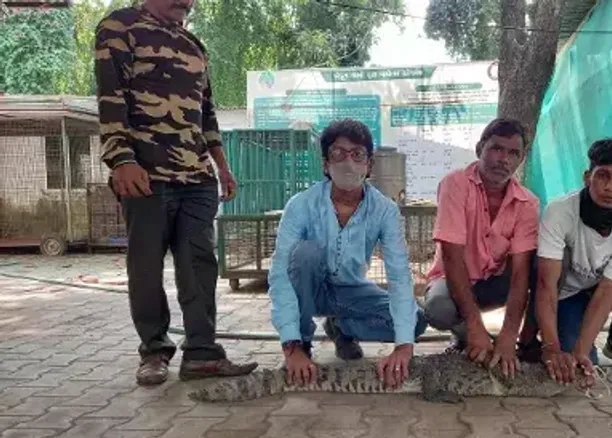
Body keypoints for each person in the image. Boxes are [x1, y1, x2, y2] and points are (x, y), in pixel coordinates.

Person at [94, 0, 257, 386]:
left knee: (199, 265)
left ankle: (202, 352)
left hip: (197, 178)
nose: (186, 3)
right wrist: (121, 160)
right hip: (144, 174)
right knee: (146, 267)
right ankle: (154, 350)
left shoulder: (194, 46)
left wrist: (223, 165)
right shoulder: (119, 26)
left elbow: (207, 113)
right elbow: (110, 100)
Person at [267, 118, 427, 389]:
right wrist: (290, 345)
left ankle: (342, 328)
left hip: (351, 291)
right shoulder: (301, 205)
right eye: (338, 154)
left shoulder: (384, 210)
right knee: (306, 254)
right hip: (310, 290)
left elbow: (399, 275)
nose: (348, 163)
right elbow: (280, 275)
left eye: (357, 155)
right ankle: (303, 345)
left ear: (369, 165)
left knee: (416, 320)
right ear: (325, 164)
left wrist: (403, 347)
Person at [523, 138, 612, 388]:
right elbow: (545, 284)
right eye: (603, 176)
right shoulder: (559, 213)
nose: (611, 187)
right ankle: (560, 339)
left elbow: (607, 290)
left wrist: (581, 349)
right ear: (588, 177)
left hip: (600, 291)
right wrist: (551, 347)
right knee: (575, 361)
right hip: (564, 295)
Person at [421, 118, 541, 379]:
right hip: (452, 279)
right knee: (439, 311)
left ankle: (520, 342)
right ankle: (472, 336)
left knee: (540, 267)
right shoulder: (455, 184)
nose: (504, 159)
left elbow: (521, 273)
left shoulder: (528, 203)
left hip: (495, 284)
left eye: (513, 153)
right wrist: (476, 327)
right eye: (497, 148)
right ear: (479, 149)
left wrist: (509, 336)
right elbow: (452, 257)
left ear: (521, 159)